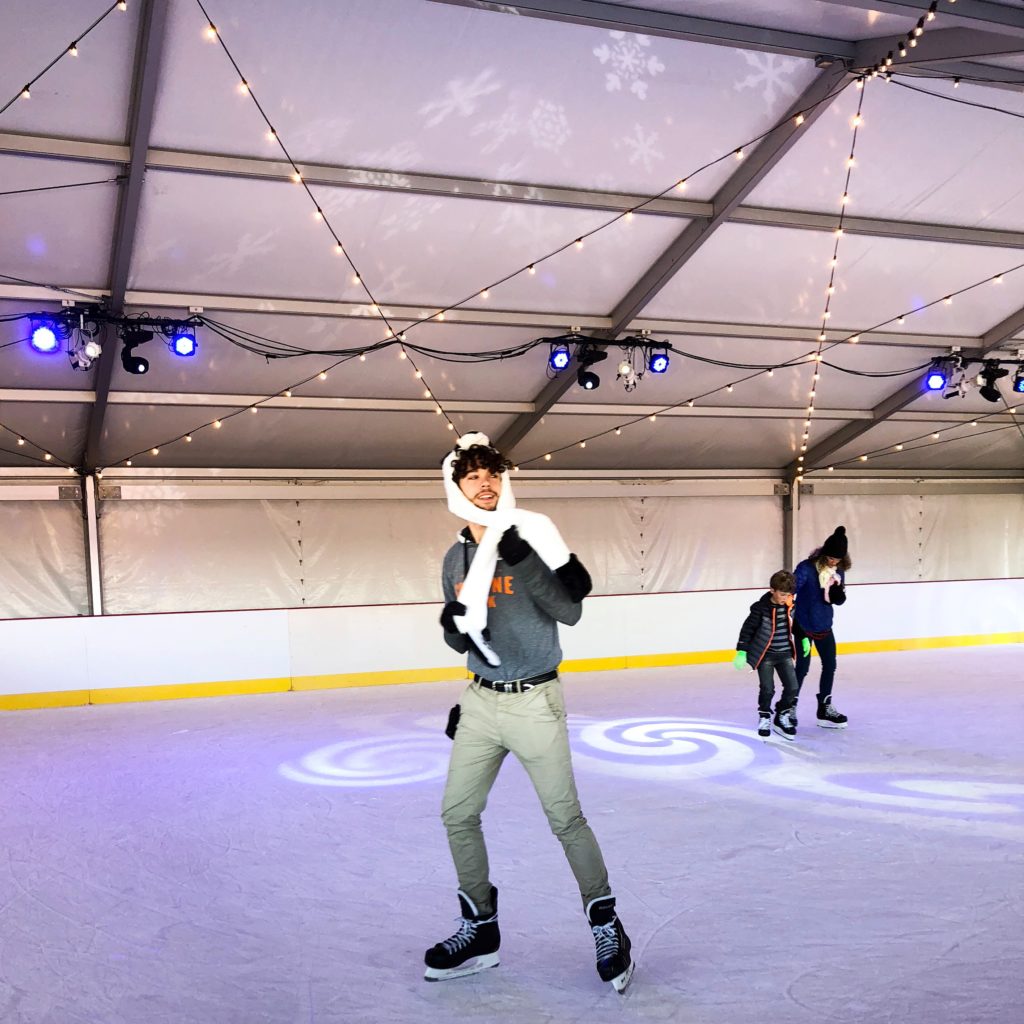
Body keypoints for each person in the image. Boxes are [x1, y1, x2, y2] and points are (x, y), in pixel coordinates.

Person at [423, 432, 634, 994]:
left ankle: (607, 924)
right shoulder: (454, 558)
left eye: (492, 473)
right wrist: (449, 629)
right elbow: (461, 636)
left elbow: (570, 611)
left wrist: (522, 558)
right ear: (455, 486)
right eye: (472, 476)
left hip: (535, 701)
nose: (484, 483)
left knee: (566, 820)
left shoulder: (529, 541)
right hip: (480, 701)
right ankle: (480, 928)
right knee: (457, 815)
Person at [733, 570, 808, 741]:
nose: (784, 598)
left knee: (793, 687)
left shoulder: (789, 606)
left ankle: (782, 713)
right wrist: (742, 651)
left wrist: (803, 638)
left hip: (785, 654)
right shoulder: (760, 608)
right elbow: (747, 629)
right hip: (765, 656)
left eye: (788, 594)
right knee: (767, 689)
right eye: (782, 594)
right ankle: (765, 715)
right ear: (772, 590)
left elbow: (796, 625)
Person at [793, 525, 851, 728]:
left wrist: (839, 596)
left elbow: (837, 598)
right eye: (831, 557)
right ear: (823, 552)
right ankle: (788, 707)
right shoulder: (806, 568)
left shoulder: (839, 571)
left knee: (830, 665)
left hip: (824, 625)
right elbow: (791, 589)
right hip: (803, 625)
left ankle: (824, 707)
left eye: (838, 558)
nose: (834, 561)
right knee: (802, 666)